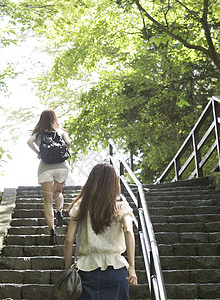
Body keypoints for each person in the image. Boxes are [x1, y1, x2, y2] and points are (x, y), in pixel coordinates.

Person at [64, 163, 138, 299]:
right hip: (115, 269)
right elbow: (128, 231)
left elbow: (69, 239)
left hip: (86, 270)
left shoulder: (81, 206)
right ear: (113, 182)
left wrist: (68, 269)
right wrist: (132, 267)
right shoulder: (120, 207)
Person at [27, 109, 71, 245]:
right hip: (61, 167)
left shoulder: (38, 133)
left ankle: (52, 231)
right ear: (54, 118)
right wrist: (63, 151)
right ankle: (60, 212)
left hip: (45, 168)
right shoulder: (61, 131)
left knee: (47, 202)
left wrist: (38, 152)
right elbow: (68, 143)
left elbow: (29, 142)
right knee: (58, 192)